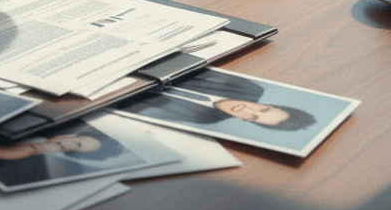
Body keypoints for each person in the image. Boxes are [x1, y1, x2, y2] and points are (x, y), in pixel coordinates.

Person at [122, 71, 316, 131]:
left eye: (254, 118)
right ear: (268, 104)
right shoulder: (248, 88)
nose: (249, 111)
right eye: (263, 110)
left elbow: (144, 111)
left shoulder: (206, 119)